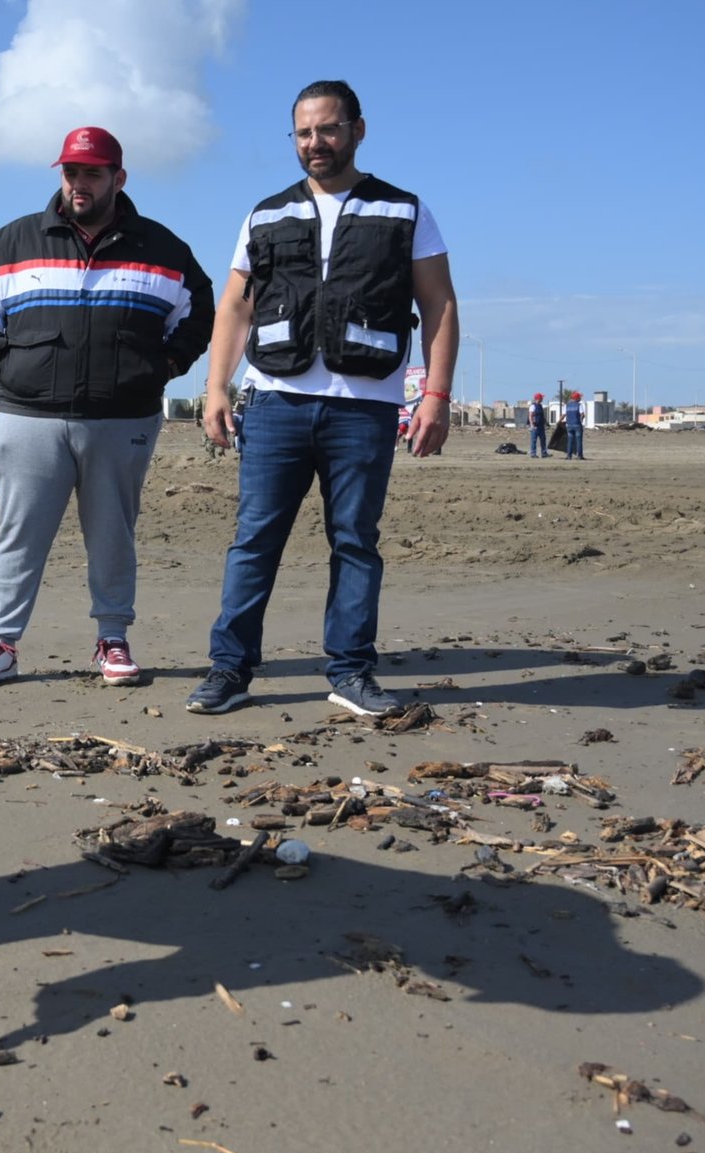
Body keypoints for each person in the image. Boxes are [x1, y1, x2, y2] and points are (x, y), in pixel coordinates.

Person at [187, 79, 458, 718]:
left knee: (356, 542)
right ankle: (230, 670)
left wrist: (436, 395)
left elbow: (439, 304)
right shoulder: (265, 215)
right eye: (305, 132)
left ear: (357, 130)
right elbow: (236, 307)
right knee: (254, 540)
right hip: (274, 404)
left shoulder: (405, 211)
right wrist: (216, 387)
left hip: (364, 409)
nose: (316, 142)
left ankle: (351, 672)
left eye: (329, 129)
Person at [0, 126, 213, 689]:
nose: (79, 183)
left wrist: (163, 367)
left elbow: (199, 312)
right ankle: (1, 643)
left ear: (118, 179)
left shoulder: (163, 249)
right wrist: (1, 361)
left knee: (113, 534)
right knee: (18, 533)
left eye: (92, 173)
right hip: (27, 416)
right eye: (71, 172)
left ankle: (112, 638)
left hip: (123, 419)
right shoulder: (12, 242)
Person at [563, 390, 586, 460]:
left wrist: (559, 421)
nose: (580, 398)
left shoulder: (567, 405)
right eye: (580, 397)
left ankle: (569, 456)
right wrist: (581, 420)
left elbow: (564, 415)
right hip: (577, 425)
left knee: (570, 441)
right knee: (578, 441)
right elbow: (582, 414)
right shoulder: (579, 405)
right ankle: (579, 456)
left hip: (569, 425)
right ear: (577, 398)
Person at [528, 392, 547, 458]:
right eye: (541, 397)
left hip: (541, 426)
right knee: (534, 440)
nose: (542, 399)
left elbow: (542, 416)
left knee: (543, 440)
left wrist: (545, 423)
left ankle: (544, 453)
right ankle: (533, 453)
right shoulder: (533, 406)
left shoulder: (540, 406)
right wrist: (532, 425)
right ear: (538, 398)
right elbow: (530, 416)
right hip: (535, 426)